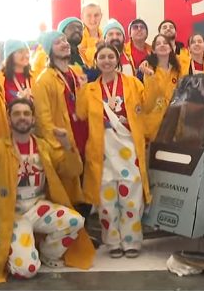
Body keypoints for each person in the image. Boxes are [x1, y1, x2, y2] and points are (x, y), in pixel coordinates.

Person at [0, 98, 95, 282]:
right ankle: (19, 252)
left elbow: (73, 170)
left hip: (38, 208)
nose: (21, 117)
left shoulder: (43, 146)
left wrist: (67, 145)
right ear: (9, 119)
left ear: (33, 119)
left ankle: (48, 253)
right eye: (16, 114)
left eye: (26, 114)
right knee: (27, 270)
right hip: (12, 214)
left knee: (75, 221)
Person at [76, 44, 151, 258]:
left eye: (111, 56)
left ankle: (132, 242)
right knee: (107, 201)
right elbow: (81, 114)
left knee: (132, 199)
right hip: (103, 150)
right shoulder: (90, 88)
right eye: (102, 57)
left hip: (129, 147)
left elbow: (146, 106)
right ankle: (113, 242)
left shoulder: (133, 83)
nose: (107, 60)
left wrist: (151, 78)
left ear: (117, 59)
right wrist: (81, 89)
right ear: (96, 61)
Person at [32, 31, 88, 205]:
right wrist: (58, 148)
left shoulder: (76, 72)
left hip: (83, 141)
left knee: (83, 194)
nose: (64, 44)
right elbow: (43, 119)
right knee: (66, 199)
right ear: (49, 50)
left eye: (64, 40)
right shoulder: (44, 80)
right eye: (57, 42)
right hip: (64, 144)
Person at [143, 35, 188, 141]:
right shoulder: (148, 69)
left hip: (175, 124)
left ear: (171, 48)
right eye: (158, 44)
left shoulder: (178, 70)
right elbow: (150, 99)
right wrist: (151, 76)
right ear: (153, 50)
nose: (162, 45)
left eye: (165, 43)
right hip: (154, 126)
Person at [0, 40, 33, 105]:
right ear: (10, 55)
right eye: (20, 52)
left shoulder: (34, 76)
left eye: (27, 52)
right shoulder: (1, 78)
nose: (25, 55)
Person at [79, 2, 103, 67]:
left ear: (101, 16)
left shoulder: (105, 37)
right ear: (82, 17)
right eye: (89, 15)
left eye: (96, 15)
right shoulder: (78, 39)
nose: (93, 19)